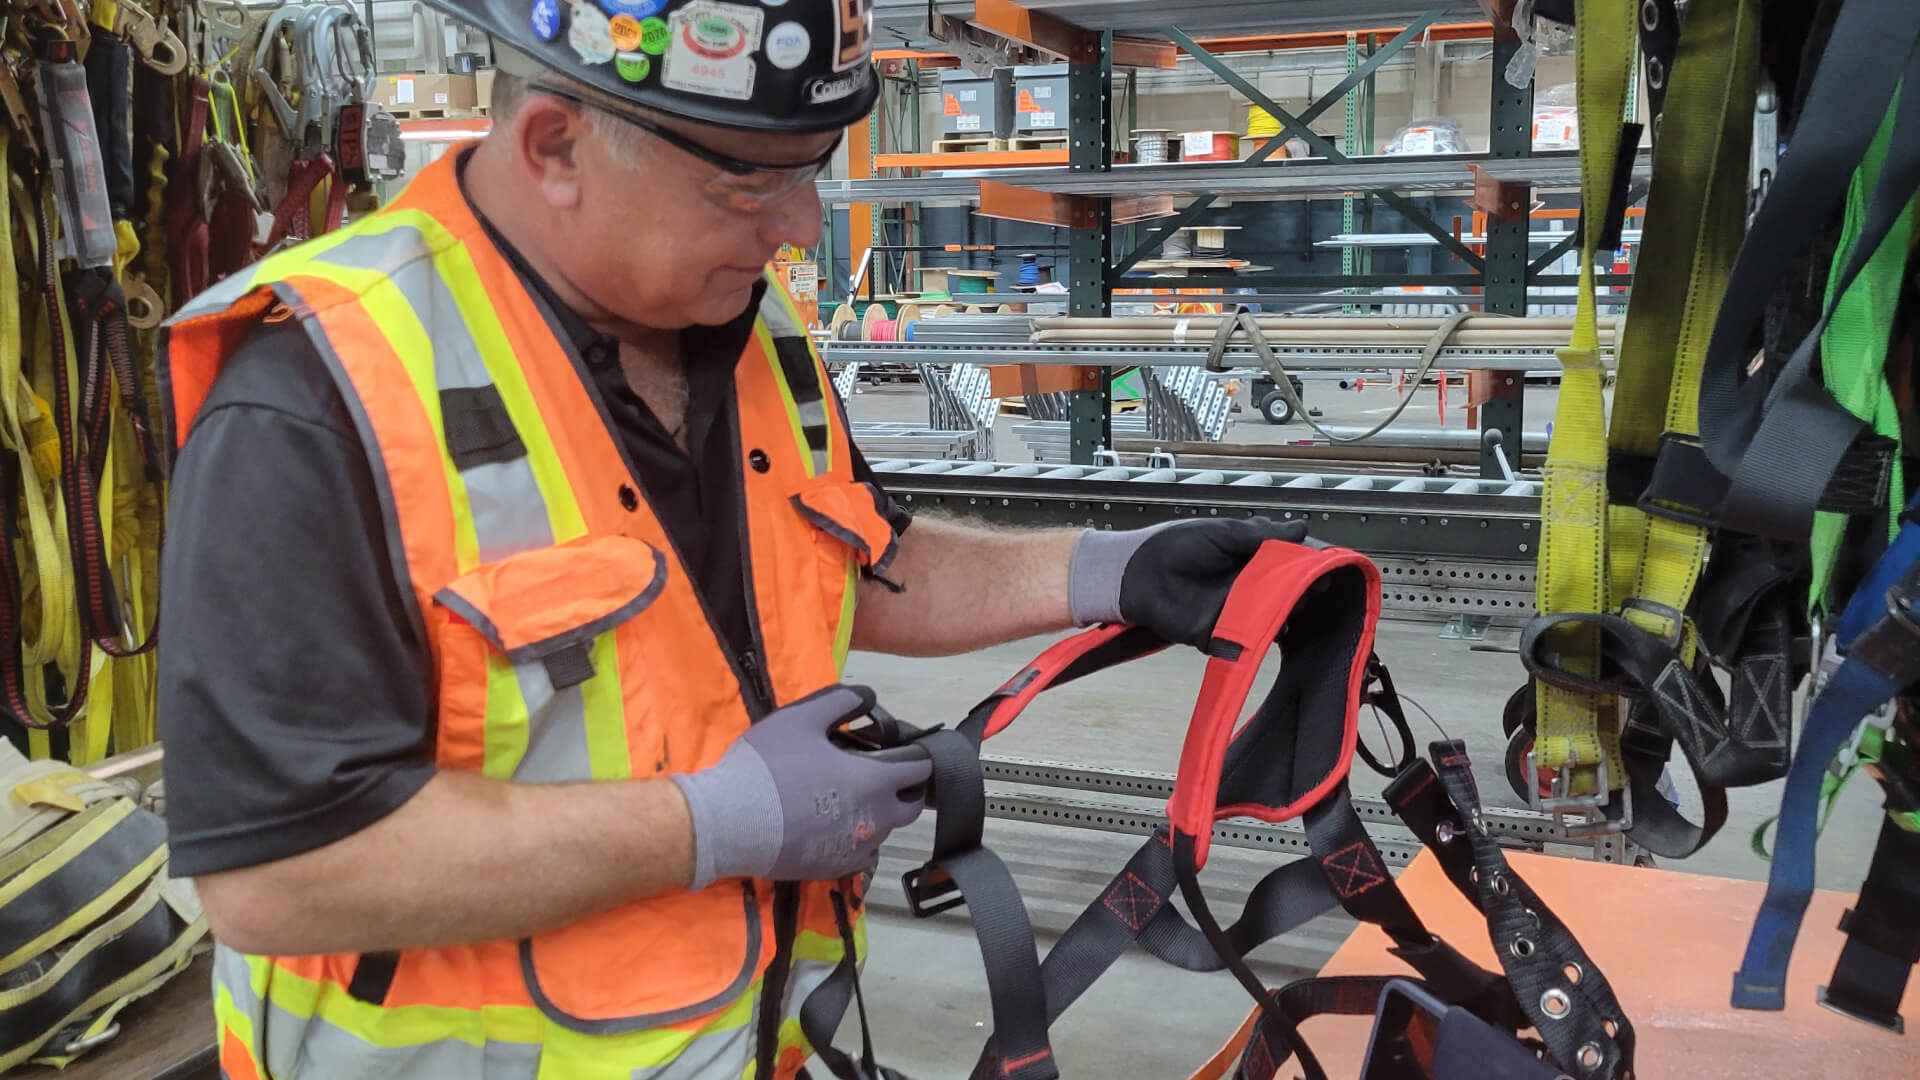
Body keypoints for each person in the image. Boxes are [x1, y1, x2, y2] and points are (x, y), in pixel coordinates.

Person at [155, 0, 1307, 1075]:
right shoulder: (321, 394)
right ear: (556, 143)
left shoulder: (747, 329)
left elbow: (842, 564)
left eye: (810, 174)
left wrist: (1103, 570)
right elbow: (279, 877)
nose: (801, 226)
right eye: (749, 182)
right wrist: (727, 823)